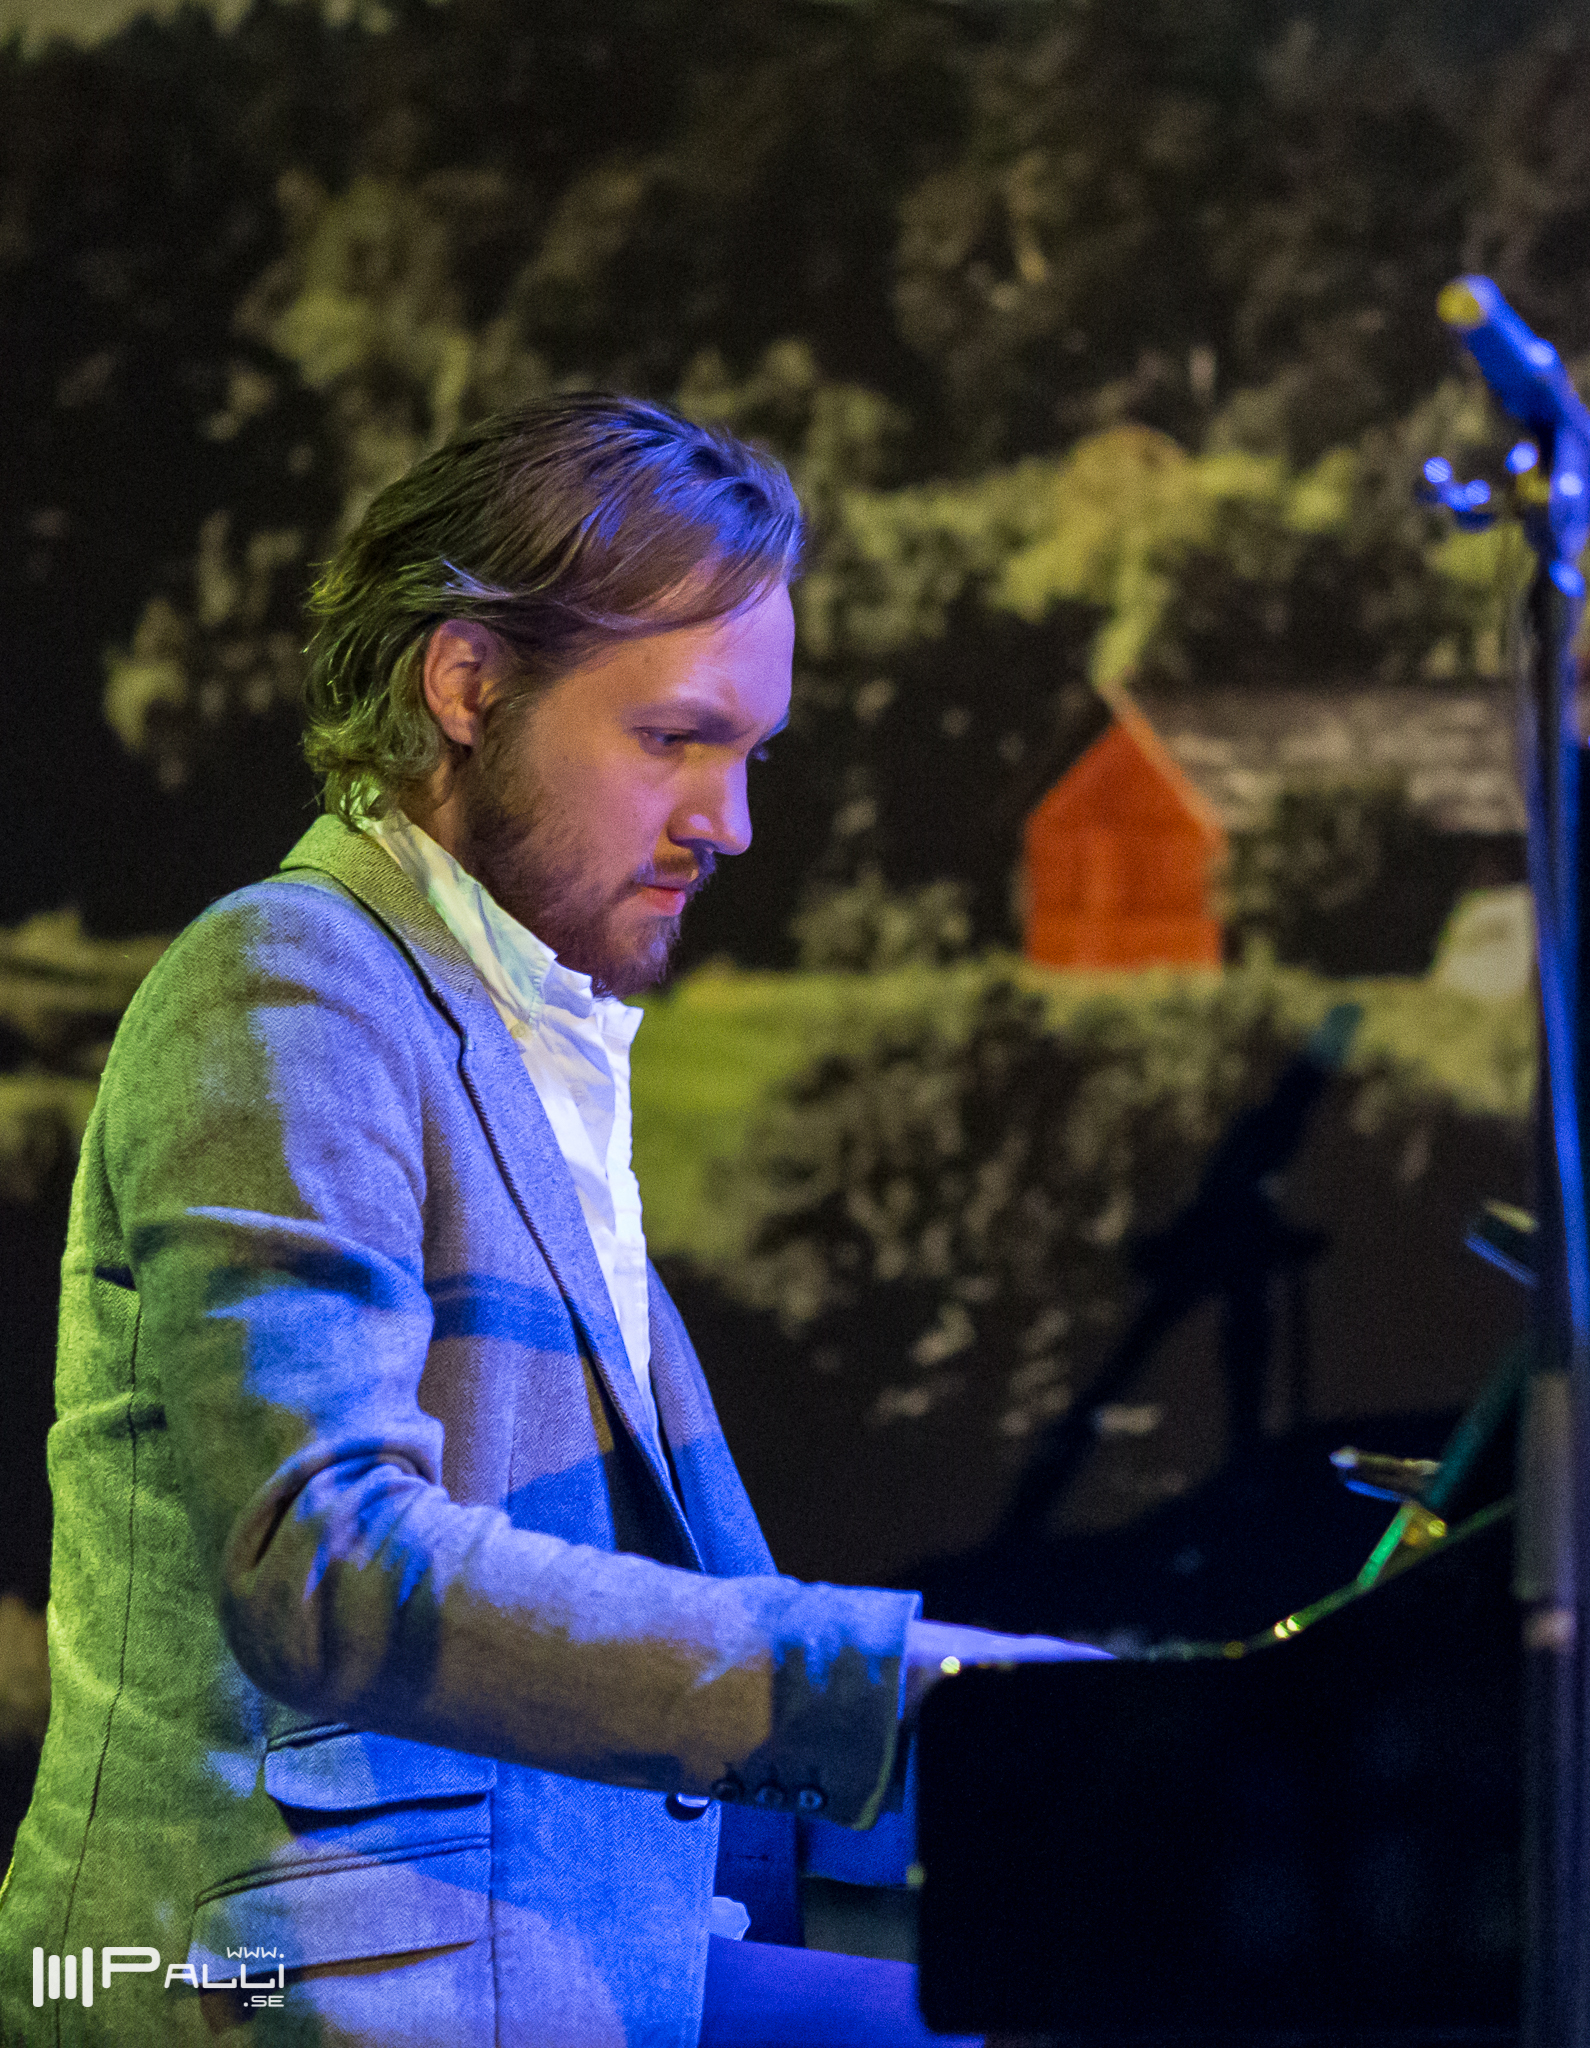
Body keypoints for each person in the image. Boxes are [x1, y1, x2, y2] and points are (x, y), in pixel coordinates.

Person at [0, 393, 1099, 2047]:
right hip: (267, 1989)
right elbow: (325, 1565)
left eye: (751, 755)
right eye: (675, 740)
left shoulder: (528, 1032)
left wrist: (1074, 1764)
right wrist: (895, 1693)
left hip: (547, 1952)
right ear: (467, 687)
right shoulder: (289, 982)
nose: (731, 821)